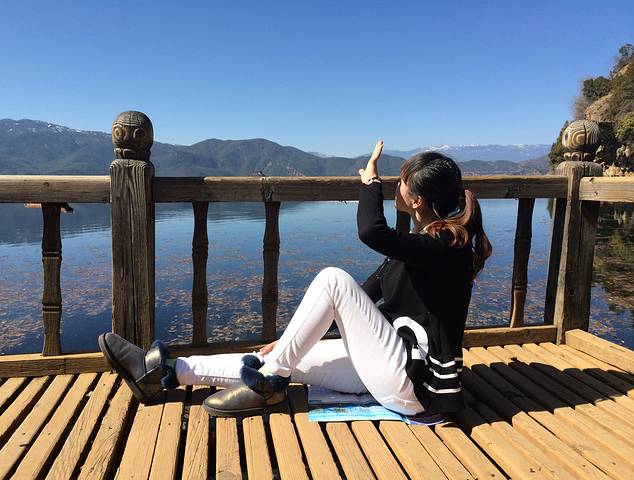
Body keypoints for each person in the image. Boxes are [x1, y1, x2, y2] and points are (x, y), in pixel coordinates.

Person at [98, 140, 492, 418]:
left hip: (414, 383)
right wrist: (290, 343)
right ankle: (161, 372)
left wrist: (370, 183)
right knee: (281, 358)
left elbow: (371, 232)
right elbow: (363, 298)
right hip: (390, 369)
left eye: (401, 182)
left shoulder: (446, 248)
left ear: (417, 200)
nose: (396, 187)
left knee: (332, 279)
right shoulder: (423, 245)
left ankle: (270, 381)